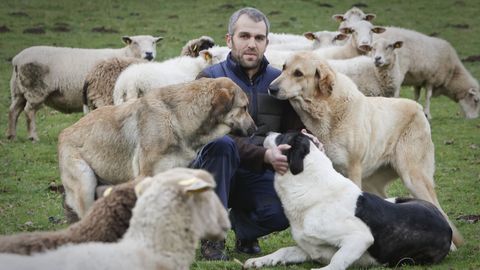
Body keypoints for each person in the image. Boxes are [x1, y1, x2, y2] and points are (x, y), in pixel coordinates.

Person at [192, 7, 304, 261]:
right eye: (244, 36)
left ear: (267, 42)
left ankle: (244, 229)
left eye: (259, 38)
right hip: (212, 171)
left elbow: (292, 130)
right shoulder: (210, 79)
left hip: (256, 176)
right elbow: (204, 135)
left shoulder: (279, 81)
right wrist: (264, 154)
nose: (251, 44)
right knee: (220, 144)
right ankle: (213, 236)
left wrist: (306, 137)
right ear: (229, 39)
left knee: (288, 208)